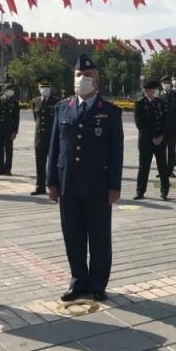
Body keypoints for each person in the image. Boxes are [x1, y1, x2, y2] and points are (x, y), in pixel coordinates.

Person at [47, 54, 123, 302]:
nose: (83, 79)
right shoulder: (62, 108)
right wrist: (51, 181)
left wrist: (114, 186)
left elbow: (116, 152)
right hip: (68, 184)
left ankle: (98, 283)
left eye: (88, 76)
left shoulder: (109, 112)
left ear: (97, 81)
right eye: (79, 75)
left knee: (100, 237)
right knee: (73, 235)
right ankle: (78, 280)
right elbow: (54, 148)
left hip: (98, 186)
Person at [134, 80, 169, 200]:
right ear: (145, 91)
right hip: (146, 141)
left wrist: (162, 136)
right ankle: (140, 191)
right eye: (150, 90)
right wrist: (152, 138)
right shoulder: (140, 104)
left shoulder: (159, 102)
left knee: (162, 167)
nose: (153, 92)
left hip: (160, 140)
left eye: (154, 90)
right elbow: (140, 124)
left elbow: (166, 120)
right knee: (144, 167)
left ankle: (164, 191)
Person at [31, 77, 60, 196]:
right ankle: (40, 186)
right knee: (40, 164)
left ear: (50, 88)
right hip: (39, 138)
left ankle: (55, 186)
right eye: (42, 87)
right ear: (38, 88)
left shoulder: (57, 102)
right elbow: (35, 118)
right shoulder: (35, 101)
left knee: (53, 164)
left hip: (52, 137)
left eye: (47, 87)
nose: (45, 89)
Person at [0, 82, 20, 175]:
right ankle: (0, 169)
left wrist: (15, 131)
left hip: (9, 130)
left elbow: (16, 117)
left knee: (8, 149)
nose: (11, 92)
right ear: (5, 91)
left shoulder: (14, 101)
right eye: (9, 90)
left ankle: (7, 169)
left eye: (12, 90)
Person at [159, 75, 176, 177]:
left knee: (171, 150)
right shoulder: (159, 95)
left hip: (172, 126)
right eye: (164, 83)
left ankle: (170, 171)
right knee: (161, 151)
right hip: (161, 128)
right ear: (161, 84)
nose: (166, 84)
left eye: (168, 82)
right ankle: (162, 171)